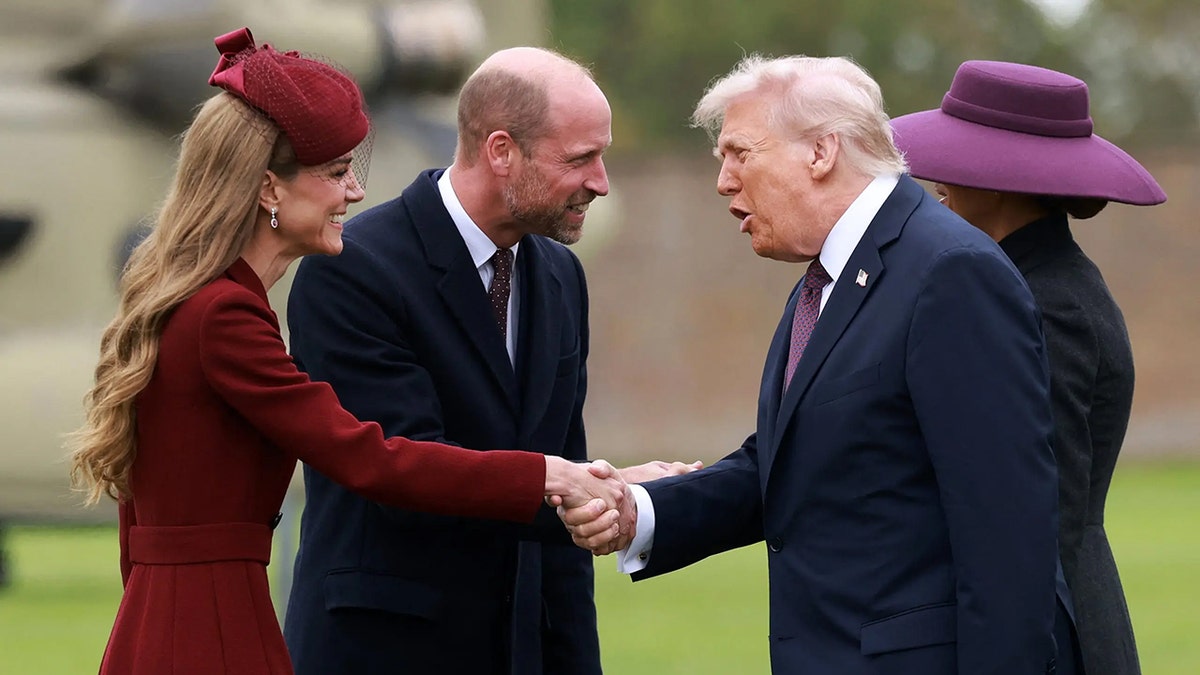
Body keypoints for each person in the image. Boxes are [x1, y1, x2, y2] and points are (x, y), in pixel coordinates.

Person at [65, 28, 623, 675]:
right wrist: (548, 474)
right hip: (213, 630)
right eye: (335, 173)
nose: (353, 194)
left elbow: (137, 522)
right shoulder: (225, 314)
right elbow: (370, 457)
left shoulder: (197, 302)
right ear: (269, 189)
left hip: (168, 622)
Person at [562, 54, 1065, 675]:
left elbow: (1007, 532)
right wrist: (643, 510)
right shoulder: (830, 279)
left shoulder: (948, 272)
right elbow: (790, 465)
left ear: (822, 152)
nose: (723, 180)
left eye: (739, 153)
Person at [281, 46, 697, 675]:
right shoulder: (354, 270)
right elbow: (401, 470)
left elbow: (558, 476)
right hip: (386, 651)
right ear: (501, 151)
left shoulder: (560, 275)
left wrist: (596, 492)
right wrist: (595, 485)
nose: (601, 181)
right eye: (580, 158)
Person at [891, 59, 1166, 675]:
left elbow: (1028, 506)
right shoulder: (1027, 281)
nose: (936, 183)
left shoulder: (1048, 301)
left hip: (1053, 629)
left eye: (955, 164)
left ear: (1001, 179)